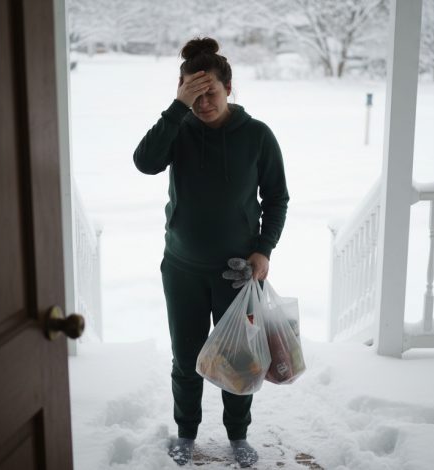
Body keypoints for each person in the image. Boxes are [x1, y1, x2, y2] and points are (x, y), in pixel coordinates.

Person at [133, 37, 289, 467]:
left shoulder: (257, 136)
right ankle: (186, 433)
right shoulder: (178, 129)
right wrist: (174, 109)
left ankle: (237, 436)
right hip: (182, 268)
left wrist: (263, 251)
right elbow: (145, 162)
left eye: (211, 93)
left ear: (229, 88)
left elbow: (276, 198)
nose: (203, 103)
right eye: (193, 94)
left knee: (238, 358)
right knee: (186, 358)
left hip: (237, 274)